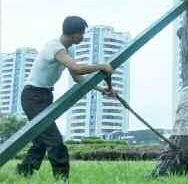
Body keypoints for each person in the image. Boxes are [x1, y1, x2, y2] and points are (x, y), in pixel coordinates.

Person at [16, 16, 115, 180]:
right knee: (55, 141)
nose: (83, 37)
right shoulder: (54, 47)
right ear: (74, 34)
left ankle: (23, 173)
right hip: (33, 96)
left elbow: (77, 77)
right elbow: (77, 68)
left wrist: (101, 89)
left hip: (45, 95)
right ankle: (62, 179)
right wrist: (101, 66)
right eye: (81, 34)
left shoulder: (68, 50)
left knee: (41, 139)